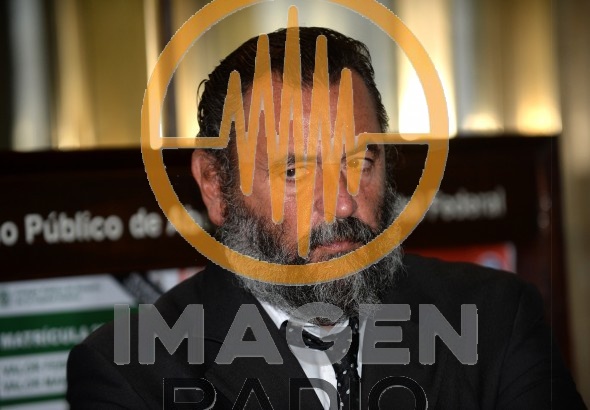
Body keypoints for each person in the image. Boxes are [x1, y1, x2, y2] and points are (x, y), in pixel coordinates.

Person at [67, 27, 586, 409]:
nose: (341, 204)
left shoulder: (494, 320)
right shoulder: (132, 373)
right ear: (214, 185)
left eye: (359, 163)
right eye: (294, 171)